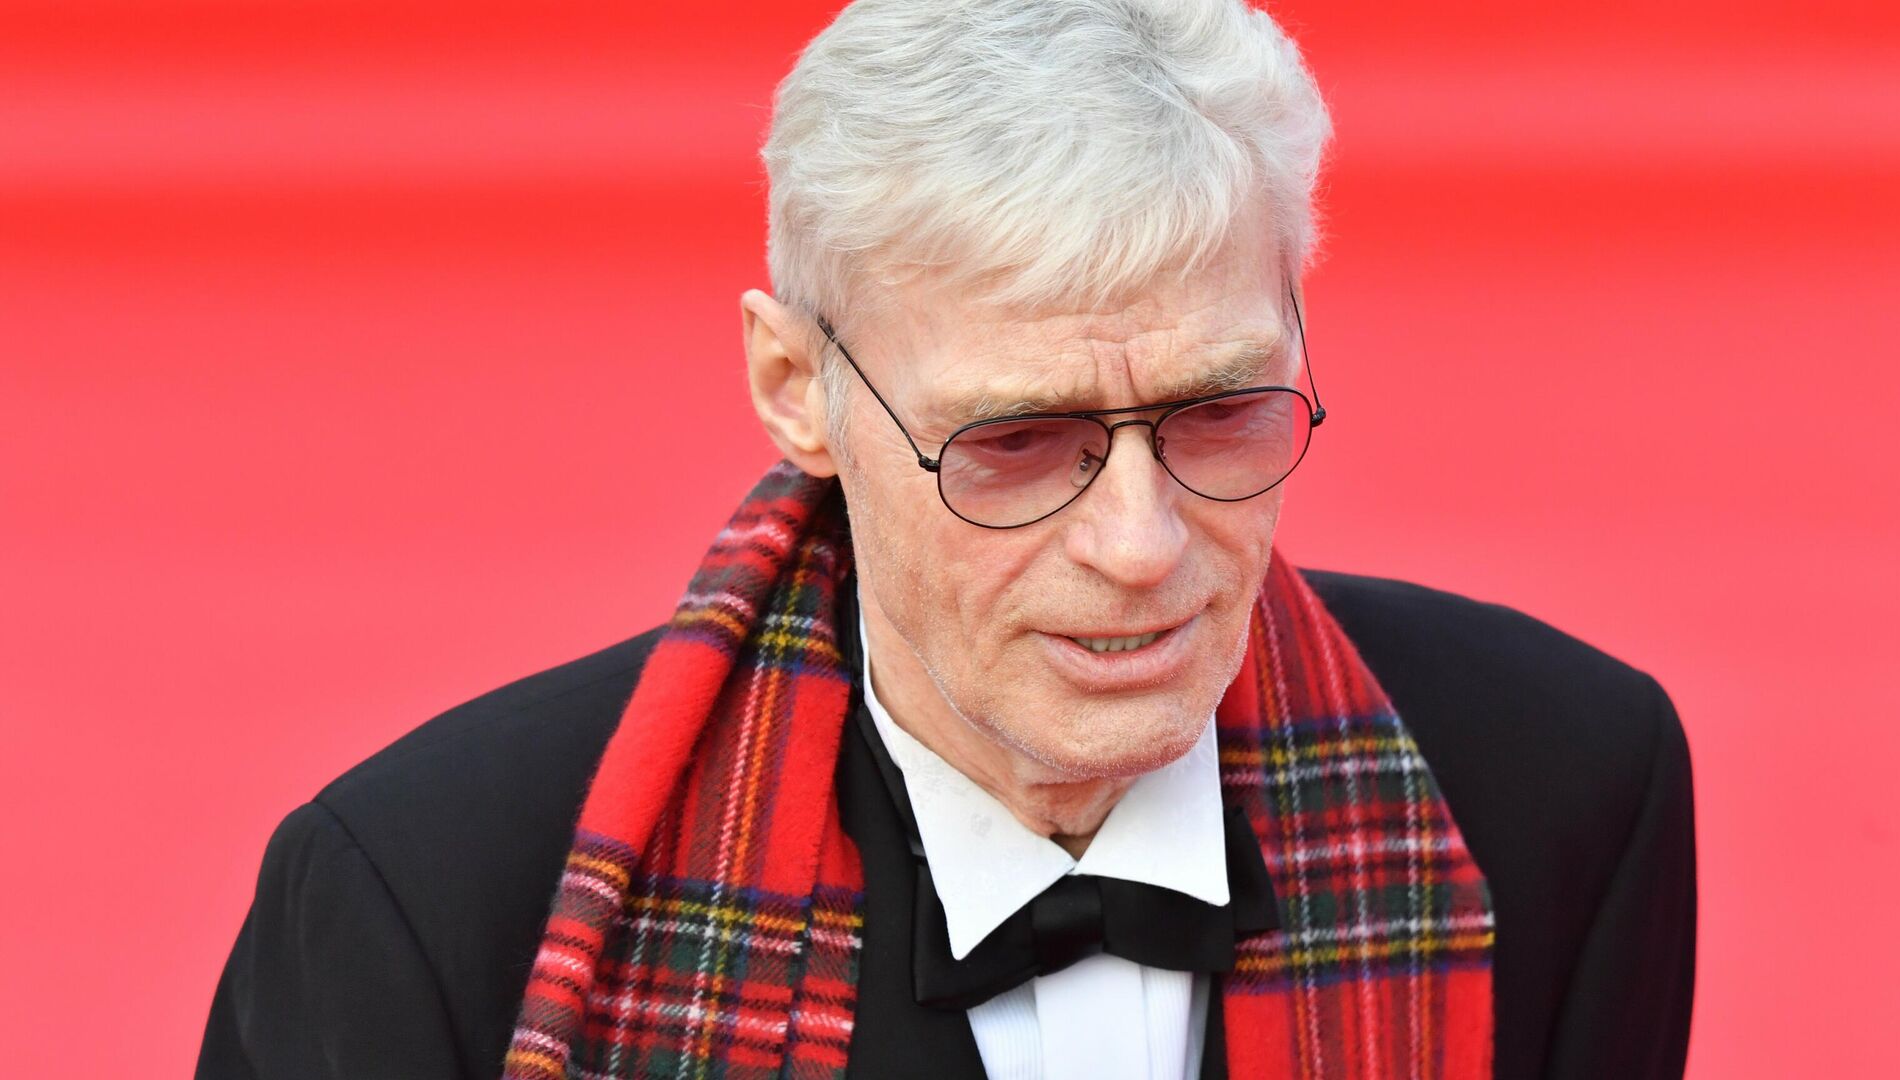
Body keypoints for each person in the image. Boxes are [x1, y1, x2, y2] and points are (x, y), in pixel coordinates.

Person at [195, 1, 1696, 1077]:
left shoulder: (1565, 790)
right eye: (1016, 443)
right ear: (797, 387)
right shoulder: (423, 907)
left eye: (1219, 414)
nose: (1138, 545)